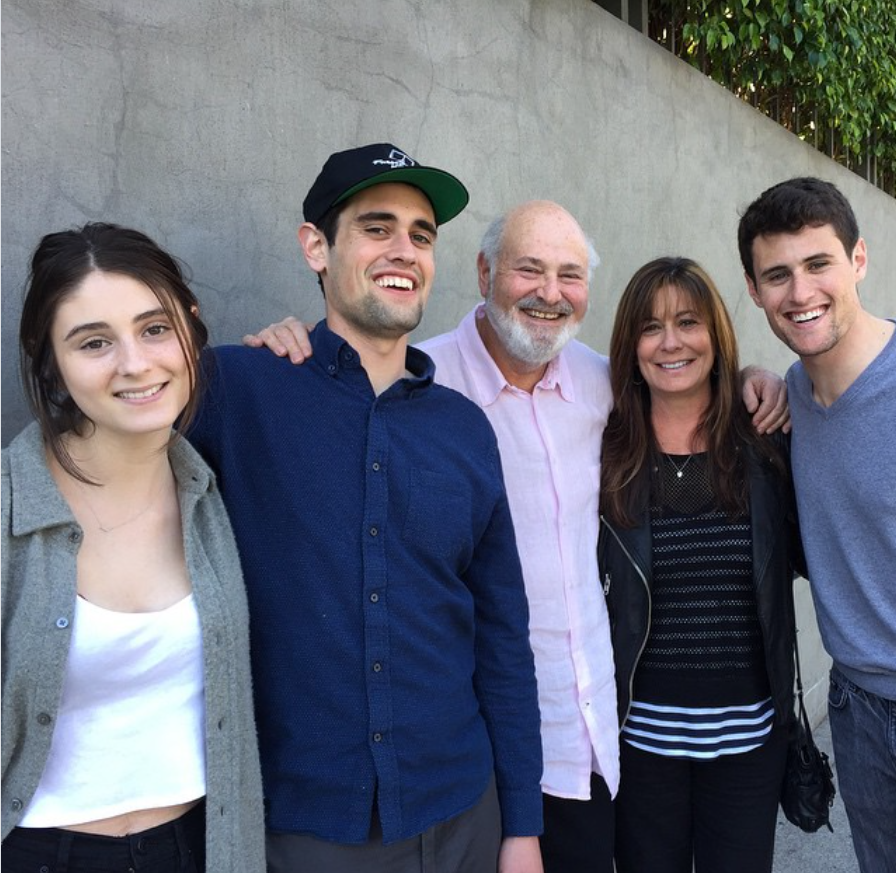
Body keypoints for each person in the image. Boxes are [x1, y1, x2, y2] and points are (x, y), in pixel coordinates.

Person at [246, 200, 789, 873]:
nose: (549, 292)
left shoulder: (605, 385)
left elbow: (684, 383)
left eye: (569, 274)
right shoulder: (422, 382)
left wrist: (754, 380)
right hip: (480, 748)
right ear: (483, 272)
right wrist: (291, 347)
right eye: (529, 269)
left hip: (594, 737)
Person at [186, 143, 545, 873]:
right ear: (316, 246)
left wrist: (522, 826)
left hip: (463, 817)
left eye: (420, 234)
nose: (404, 249)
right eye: (377, 227)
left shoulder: (464, 427)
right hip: (309, 829)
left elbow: (503, 636)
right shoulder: (239, 390)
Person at [1, 223, 265, 873]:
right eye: (94, 341)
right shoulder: (10, 509)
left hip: (201, 845)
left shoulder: (212, 495)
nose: (136, 362)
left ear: (191, 329)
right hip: (39, 851)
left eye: (155, 328)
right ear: (50, 360)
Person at [598, 257, 801, 873]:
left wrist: (770, 380)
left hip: (748, 747)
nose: (671, 342)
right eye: (650, 327)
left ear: (715, 333)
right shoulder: (603, 447)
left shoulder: (767, 438)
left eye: (688, 322)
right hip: (640, 748)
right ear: (630, 345)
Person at [739, 176, 896, 873]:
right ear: (754, 290)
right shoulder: (790, 396)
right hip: (858, 711)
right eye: (778, 275)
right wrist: (753, 373)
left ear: (858, 260)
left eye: (818, 264)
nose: (799, 293)